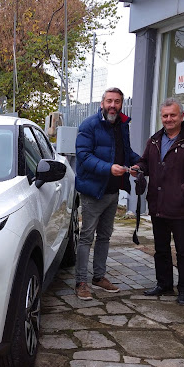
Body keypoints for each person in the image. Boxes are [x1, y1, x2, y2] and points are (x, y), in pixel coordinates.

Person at [133, 98, 184, 305]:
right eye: (165, 115)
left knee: (183, 251)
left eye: (172, 115)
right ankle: (164, 284)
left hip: (181, 207)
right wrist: (139, 168)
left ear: (182, 116)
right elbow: (145, 162)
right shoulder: (154, 140)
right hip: (158, 205)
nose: (168, 119)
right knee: (161, 249)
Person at [74, 87, 141, 300]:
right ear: (102, 103)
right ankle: (81, 282)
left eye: (117, 101)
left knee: (105, 236)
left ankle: (99, 277)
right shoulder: (89, 125)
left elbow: (125, 152)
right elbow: (83, 156)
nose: (113, 105)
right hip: (93, 191)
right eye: (109, 101)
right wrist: (108, 168)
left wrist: (139, 163)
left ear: (121, 104)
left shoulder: (122, 125)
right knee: (87, 237)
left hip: (113, 191)